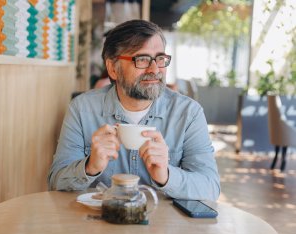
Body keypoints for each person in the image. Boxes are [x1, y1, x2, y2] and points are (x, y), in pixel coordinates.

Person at [48, 20, 220, 201]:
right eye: (142, 59)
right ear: (113, 69)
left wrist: (166, 176)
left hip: (164, 226)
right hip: (100, 224)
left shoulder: (189, 114)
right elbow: (56, 182)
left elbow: (210, 187)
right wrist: (90, 167)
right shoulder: (82, 110)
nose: (155, 69)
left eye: (160, 59)